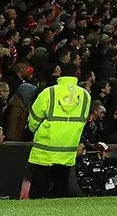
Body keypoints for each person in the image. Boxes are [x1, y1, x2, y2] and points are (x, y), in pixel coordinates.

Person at [25, 58, 90, 198]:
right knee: (60, 193)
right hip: (67, 151)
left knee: (38, 193)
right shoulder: (85, 96)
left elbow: (34, 119)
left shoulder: (49, 92)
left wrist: (35, 131)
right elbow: (83, 121)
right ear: (77, 74)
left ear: (61, 74)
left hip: (44, 151)